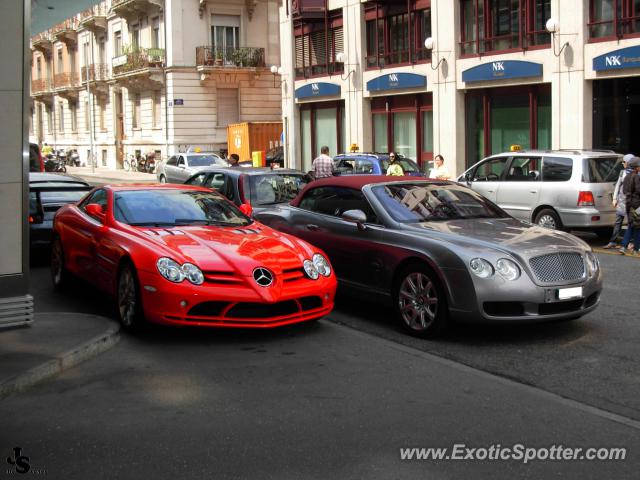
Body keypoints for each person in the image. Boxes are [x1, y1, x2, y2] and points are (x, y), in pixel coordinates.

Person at [603, 153, 634, 248]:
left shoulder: (636, 173)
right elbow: (617, 185)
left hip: (631, 202)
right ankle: (613, 241)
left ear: (629, 163)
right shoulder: (622, 172)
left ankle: (631, 242)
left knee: (631, 223)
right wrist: (614, 198)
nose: (623, 164)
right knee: (618, 222)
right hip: (621, 201)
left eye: (624, 162)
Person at [619, 156, 640, 256]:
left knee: (631, 225)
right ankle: (636, 248)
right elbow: (639, 190)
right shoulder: (636, 177)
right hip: (637, 205)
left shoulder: (627, 176)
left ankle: (623, 246)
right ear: (636, 167)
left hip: (628, 204)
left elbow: (623, 190)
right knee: (638, 227)